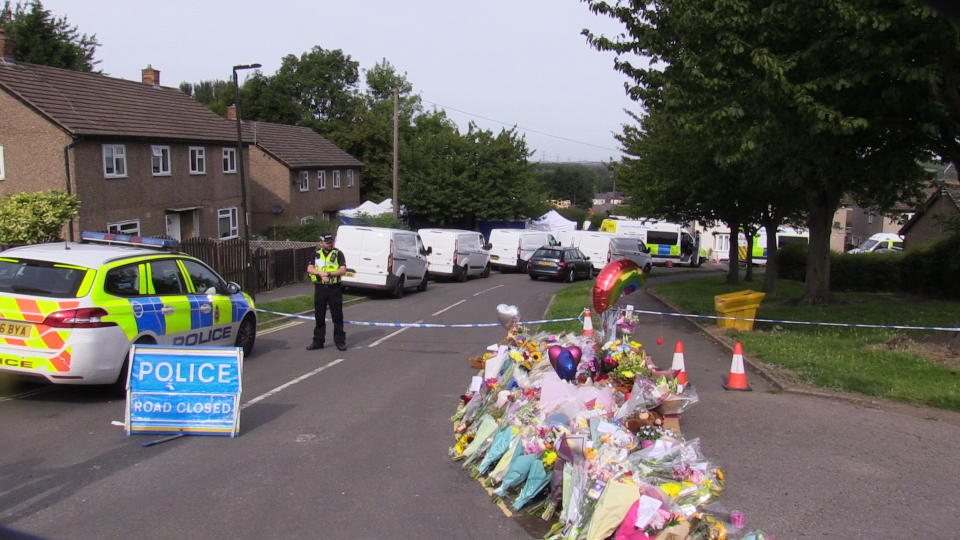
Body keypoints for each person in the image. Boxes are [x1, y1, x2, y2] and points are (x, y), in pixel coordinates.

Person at [306, 233, 347, 351]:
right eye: (327, 242)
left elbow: (342, 270)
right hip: (320, 288)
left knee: (337, 316)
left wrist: (329, 274)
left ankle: (340, 341)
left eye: (331, 242)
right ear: (321, 243)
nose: (330, 244)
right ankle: (318, 341)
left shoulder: (338, 253)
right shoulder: (316, 253)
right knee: (319, 316)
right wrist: (320, 274)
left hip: (334, 288)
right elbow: (309, 268)